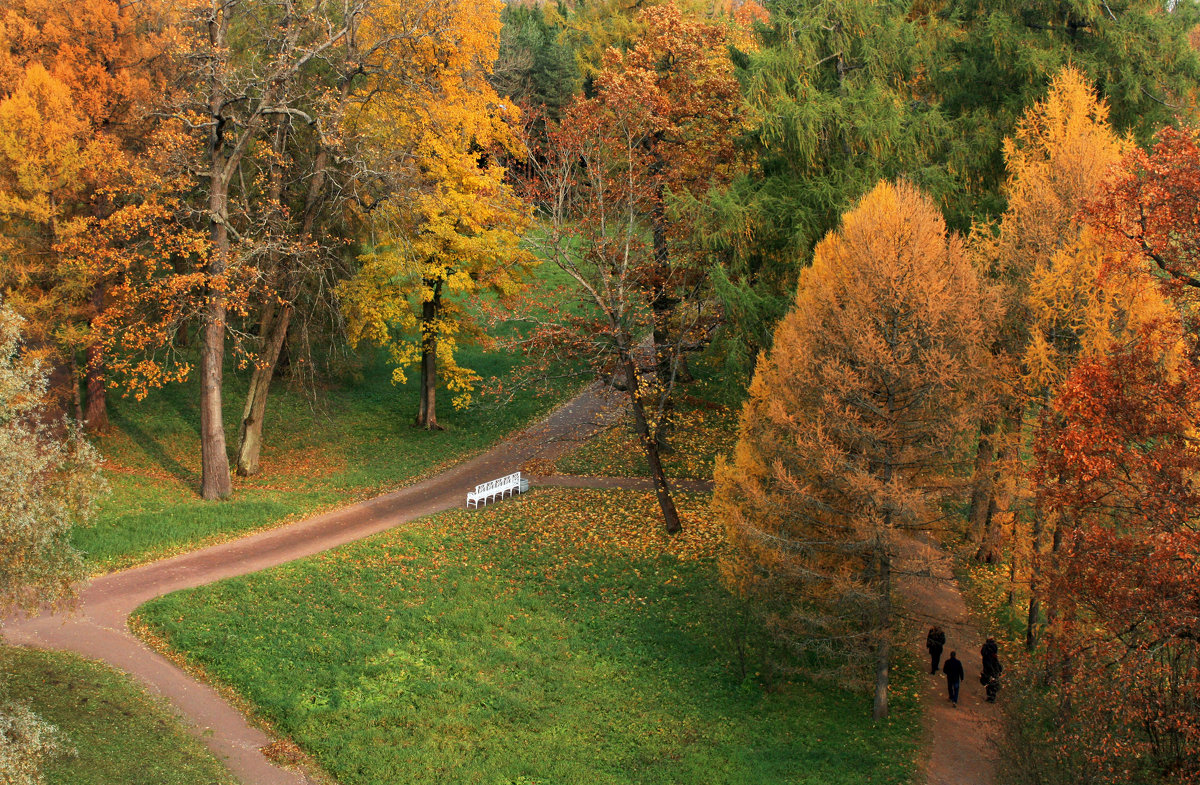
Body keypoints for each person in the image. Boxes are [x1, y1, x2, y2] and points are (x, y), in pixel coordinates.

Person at [981, 637, 1002, 702]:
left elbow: (982, 653)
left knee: (987, 681)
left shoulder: (985, 647)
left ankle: (989, 696)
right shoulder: (994, 647)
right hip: (994, 666)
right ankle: (993, 696)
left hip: (987, 666)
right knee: (994, 681)